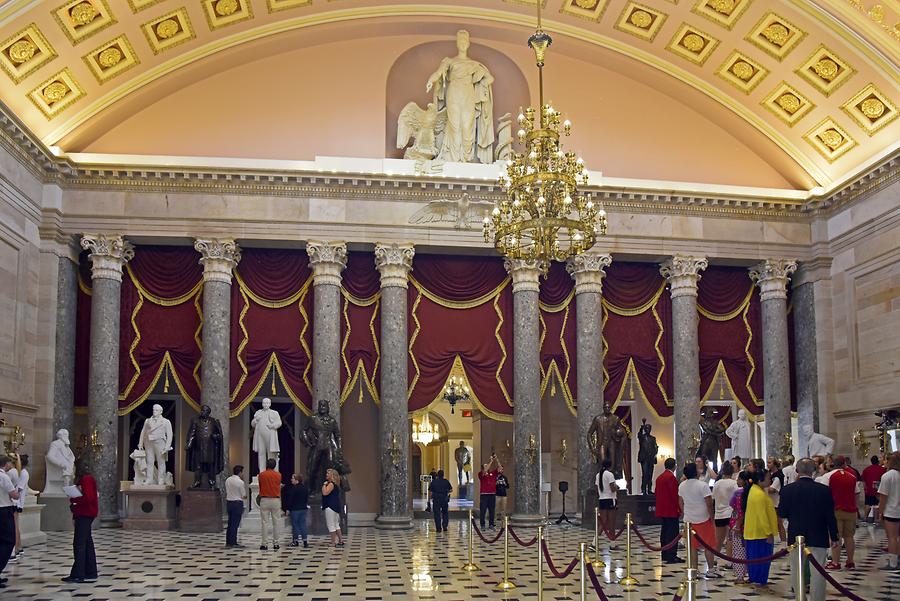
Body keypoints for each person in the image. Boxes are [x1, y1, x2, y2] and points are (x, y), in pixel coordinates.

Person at [778, 458, 839, 601]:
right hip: (818, 534)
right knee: (818, 571)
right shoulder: (824, 490)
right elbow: (830, 515)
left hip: (796, 535)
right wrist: (834, 536)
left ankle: (800, 597)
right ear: (813, 471)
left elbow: (782, 513)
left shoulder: (787, 490)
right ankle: (817, 598)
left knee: (796, 569)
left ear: (797, 471)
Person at [741, 469, 783, 587]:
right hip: (760, 533)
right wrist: (768, 532)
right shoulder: (758, 494)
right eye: (768, 478)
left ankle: (756, 578)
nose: (770, 480)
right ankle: (759, 580)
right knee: (760, 559)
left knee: (755, 558)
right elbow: (762, 516)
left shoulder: (756, 490)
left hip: (755, 532)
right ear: (760, 480)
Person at [678, 462, 718, 578]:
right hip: (703, 518)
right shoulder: (702, 485)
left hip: (689, 520)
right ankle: (711, 569)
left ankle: (694, 571)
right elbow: (709, 504)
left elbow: (680, 502)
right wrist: (712, 518)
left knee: (692, 547)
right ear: (695, 472)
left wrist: (685, 512)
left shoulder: (682, 485)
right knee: (709, 546)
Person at [64, 460, 97, 584]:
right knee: (87, 543)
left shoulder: (87, 479)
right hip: (83, 513)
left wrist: (74, 500)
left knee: (79, 544)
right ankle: (90, 571)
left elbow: (88, 498)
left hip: (85, 513)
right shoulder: (86, 479)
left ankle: (79, 574)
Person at [824, 455, 857, 570]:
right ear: (844, 464)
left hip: (836, 510)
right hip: (851, 510)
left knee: (836, 537)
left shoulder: (828, 476)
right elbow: (856, 493)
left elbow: (824, 493)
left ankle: (835, 562)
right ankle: (850, 561)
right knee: (849, 537)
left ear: (833, 464)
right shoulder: (852, 477)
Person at [655, 458, 681, 564]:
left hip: (662, 509)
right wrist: (679, 509)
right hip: (670, 509)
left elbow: (656, 492)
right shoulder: (671, 477)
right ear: (674, 466)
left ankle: (665, 554)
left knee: (664, 532)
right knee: (672, 533)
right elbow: (674, 495)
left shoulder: (659, 477)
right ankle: (671, 555)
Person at [876, 452, 900, 570]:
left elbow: (883, 497)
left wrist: (880, 512)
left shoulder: (888, 476)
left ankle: (893, 563)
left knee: (892, 537)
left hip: (891, 511)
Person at [712, 461, 738, 560]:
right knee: (730, 538)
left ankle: (715, 558)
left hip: (719, 513)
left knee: (718, 539)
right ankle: (729, 559)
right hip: (730, 512)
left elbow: (713, 497)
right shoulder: (733, 483)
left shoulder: (717, 483)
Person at [0, 456, 19, 588]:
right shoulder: (4, 477)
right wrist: (18, 491)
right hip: (4, 510)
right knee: (8, 541)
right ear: (5, 464)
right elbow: (14, 495)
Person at [257, 458, 282, 551]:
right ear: (274, 465)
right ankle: (276, 543)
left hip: (264, 499)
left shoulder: (262, 475)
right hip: (275, 499)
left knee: (264, 522)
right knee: (276, 522)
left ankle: (264, 544)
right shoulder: (278, 475)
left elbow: (260, 486)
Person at [728, 471, 748, 583]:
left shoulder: (738, 493)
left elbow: (732, 504)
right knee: (747, 550)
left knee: (738, 550)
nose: (737, 481)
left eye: (739, 479)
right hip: (748, 524)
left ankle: (740, 576)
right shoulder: (751, 492)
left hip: (737, 523)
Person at [283, 473, 309, 548]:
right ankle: (305, 541)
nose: (291, 479)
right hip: (303, 509)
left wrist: (288, 509)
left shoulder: (293, 489)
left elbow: (290, 500)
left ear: (297, 480)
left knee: (295, 525)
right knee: (303, 525)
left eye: (293, 478)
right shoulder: (305, 488)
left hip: (295, 510)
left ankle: (295, 541)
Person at [224, 465, 246, 548]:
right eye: (242, 472)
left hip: (229, 502)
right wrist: (245, 501)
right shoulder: (240, 482)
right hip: (237, 503)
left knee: (230, 523)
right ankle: (233, 542)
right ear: (240, 472)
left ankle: (228, 541)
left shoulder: (228, 480)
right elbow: (243, 495)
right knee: (235, 524)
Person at [322, 468, 344, 547]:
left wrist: (324, 484)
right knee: (336, 524)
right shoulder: (336, 485)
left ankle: (333, 542)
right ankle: (340, 541)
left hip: (330, 507)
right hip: (335, 507)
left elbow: (325, 493)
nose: (326, 475)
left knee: (331, 525)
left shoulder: (330, 484)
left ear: (332, 476)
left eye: (328, 473)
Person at [596, 459, 619, 536]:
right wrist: (617, 487)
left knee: (603, 522)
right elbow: (612, 488)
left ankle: (595, 542)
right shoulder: (609, 474)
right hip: (610, 499)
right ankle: (612, 543)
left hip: (602, 499)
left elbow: (597, 488)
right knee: (611, 523)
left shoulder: (598, 475)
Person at [477, 454, 499, 529]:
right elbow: (485, 470)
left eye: (487, 465)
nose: (487, 467)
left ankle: (491, 524)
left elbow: (500, 468)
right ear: (483, 468)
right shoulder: (481, 474)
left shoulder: (492, 474)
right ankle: (482, 525)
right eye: (485, 466)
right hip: (484, 495)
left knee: (492, 511)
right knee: (483, 511)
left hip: (492, 495)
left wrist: (497, 459)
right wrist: (491, 461)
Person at [12, 455, 28, 559]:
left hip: (16, 502)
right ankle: (19, 547)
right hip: (16, 501)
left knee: (14, 526)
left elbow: (19, 488)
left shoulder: (23, 473)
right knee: (15, 526)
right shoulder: (19, 473)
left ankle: (16, 548)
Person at [862, 455, 887, 522]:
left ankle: (865, 517)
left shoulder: (866, 469)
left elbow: (863, 481)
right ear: (878, 461)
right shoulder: (883, 469)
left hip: (869, 490)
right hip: (879, 490)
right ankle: (876, 519)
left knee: (867, 503)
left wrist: (865, 489)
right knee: (877, 504)